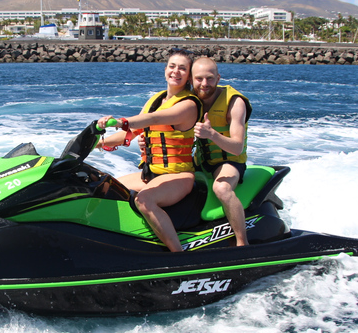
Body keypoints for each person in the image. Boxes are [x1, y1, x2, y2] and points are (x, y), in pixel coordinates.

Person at [97, 48, 202, 252]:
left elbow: (154, 120)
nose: (176, 71)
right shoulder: (156, 100)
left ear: (189, 75)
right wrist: (98, 143)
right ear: (165, 70)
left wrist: (120, 121)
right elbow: (133, 132)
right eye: (172, 66)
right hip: (151, 174)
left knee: (145, 200)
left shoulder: (188, 104)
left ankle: (178, 256)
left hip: (178, 176)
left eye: (182, 68)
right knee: (104, 188)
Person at [191, 56, 252, 247]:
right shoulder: (189, 100)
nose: (204, 84)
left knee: (222, 188)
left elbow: (237, 147)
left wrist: (211, 134)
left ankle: (242, 244)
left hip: (229, 162)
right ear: (191, 80)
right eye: (199, 79)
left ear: (218, 78)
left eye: (209, 78)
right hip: (200, 162)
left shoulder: (234, 102)